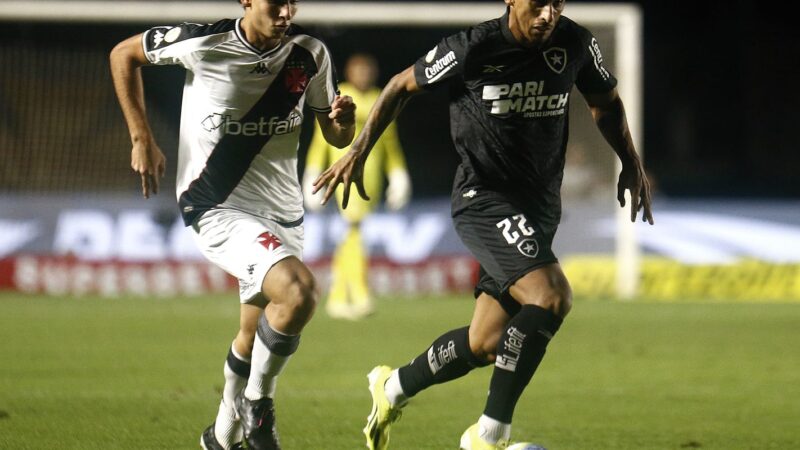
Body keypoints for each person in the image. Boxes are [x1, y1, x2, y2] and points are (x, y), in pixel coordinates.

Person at [313, 0, 654, 448]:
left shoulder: (575, 43)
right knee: (550, 296)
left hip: (539, 209)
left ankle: (392, 387)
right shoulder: (473, 47)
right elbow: (399, 86)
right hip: (484, 199)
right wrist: (358, 149)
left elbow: (604, 103)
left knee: (487, 343)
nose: (548, 14)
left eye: (557, 3)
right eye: (538, 3)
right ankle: (489, 436)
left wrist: (630, 161)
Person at [109, 0, 356, 449]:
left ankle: (221, 436)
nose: (286, 12)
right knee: (298, 292)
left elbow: (333, 134)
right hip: (216, 204)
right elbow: (122, 54)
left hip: (284, 212)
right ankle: (259, 406)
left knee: (253, 332)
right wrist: (141, 135)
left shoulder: (310, 54)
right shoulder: (204, 44)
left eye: (292, 2)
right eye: (275, 2)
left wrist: (344, 124)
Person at [303, 52, 411, 320]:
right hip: (343, 174)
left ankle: (338, 295)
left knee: (352, 236)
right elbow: (321, 139)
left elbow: (389, 142)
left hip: (370, 179)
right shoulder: (341, 97)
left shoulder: (380, 98)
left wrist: (398, 174)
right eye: (358, 71)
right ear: (349, 73)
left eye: (367, 71)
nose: (363, 76)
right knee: (353, 233)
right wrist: (313, 171)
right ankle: (358, 295)